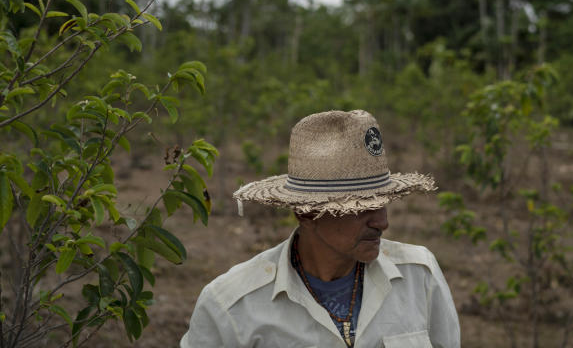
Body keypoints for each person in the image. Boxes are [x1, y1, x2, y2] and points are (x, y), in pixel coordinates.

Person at [180, 109, 460, 347]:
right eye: (358, 207)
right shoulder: (232, 306)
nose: (382, 222)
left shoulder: (419, 277)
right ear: (305, 212)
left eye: (383, 202)